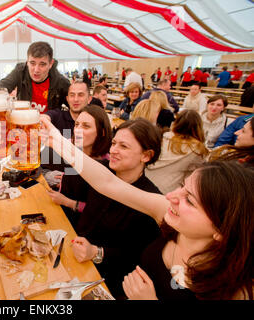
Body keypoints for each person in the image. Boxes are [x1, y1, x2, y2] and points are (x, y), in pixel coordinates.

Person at [41, 117, 254, 300]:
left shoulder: (233, 288)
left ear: (221, 228)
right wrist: (56, 140)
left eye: (189, 200)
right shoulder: (167, 214)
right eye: (182, 187)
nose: (171, 196)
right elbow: (108, 183)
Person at [69, 119, 163, 298]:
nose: (113, 150)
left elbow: (135, 256)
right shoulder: (100, 171)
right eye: (113, 143)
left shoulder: (151, 201)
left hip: (104, 280)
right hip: (72, 255)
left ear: (146, 156)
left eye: (124, 146)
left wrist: (96, 253)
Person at [47, 105, 112, 227]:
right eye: (77, 125)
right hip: (60, 212)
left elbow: (99, 211)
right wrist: (65, 180)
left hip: (81, 227)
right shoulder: (76, 151)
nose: (78, 130)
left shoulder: (107, 165)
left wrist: (66, 202)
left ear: (102, 132)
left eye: (86, 126)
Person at [145, 110, 208, 194]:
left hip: (144, 181)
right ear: (199, 127)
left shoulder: (161, 137)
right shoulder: (197, 150)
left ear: (176, 123)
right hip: (167, 191)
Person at [0, 41, 70, 113]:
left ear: (50, 64)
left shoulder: (61, 82)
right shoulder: (20, 72)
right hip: (24, 122)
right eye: (32, 63)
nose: (36, 70)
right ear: (27, 61)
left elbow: (76, 107)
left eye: (42, 64)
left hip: (48, 123)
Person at [41, 80, 92, 174]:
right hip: (51, 176)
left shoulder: (93, 123)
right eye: (72, 95)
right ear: (67, 99)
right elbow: (45, 117)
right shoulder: (57, 115)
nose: (76, 99)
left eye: (80, 95)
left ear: (89, 99)